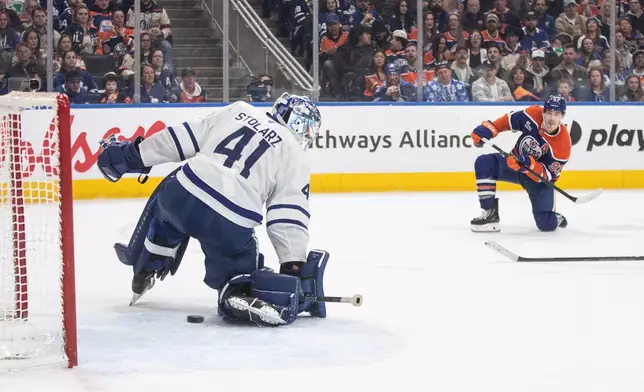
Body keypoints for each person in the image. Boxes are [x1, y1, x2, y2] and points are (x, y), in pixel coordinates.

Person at [96, 93, 327, 327]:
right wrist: (293, 263)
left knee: (165, 211)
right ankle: (235, 291)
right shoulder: (294, 153)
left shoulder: (240, 109)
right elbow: (287, 214)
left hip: (183, 192)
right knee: (239, 264)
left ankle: (149, 262)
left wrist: (134, 155)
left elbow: (181, 138)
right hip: (230, 220)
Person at [469, 95, 571, 232]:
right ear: (543, 112)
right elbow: (509, 121)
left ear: (562, 116)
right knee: (484, 163)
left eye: (557, 114)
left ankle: (553, 217)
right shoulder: (532, 114)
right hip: (513, 164)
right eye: (549, 113)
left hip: (538, 182)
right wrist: (490, 129)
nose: (552, 118)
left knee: (546, 225)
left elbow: (549, 176)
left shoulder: (563, 144)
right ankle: (490, 213)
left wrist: (529, 165)